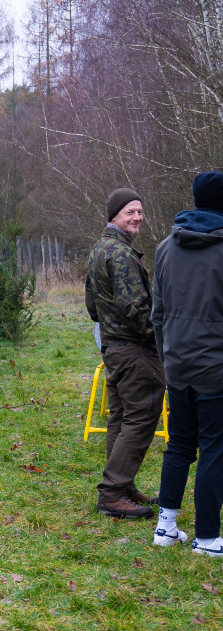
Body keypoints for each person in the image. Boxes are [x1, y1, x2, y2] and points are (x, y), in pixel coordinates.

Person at [151, 170, 223, 555]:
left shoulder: (165, 247)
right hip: (215, 371)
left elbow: (156, 315)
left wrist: (168, 360)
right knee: (215, 448)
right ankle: (208, 537)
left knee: (179, 445)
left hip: (177, 366)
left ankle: (166, 527)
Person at [85, 188, 164, 519]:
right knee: (141, 416)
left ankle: (122, 484)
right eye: (130, 212)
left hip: (114, 349)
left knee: (120, 416)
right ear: (114, 215)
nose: (137, 218)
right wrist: (163, 337)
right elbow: (137, 310)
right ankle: (113, 492)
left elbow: (92, 307)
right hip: (134, 351)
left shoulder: (99, 250)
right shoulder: (121, 255)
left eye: (140, 212)